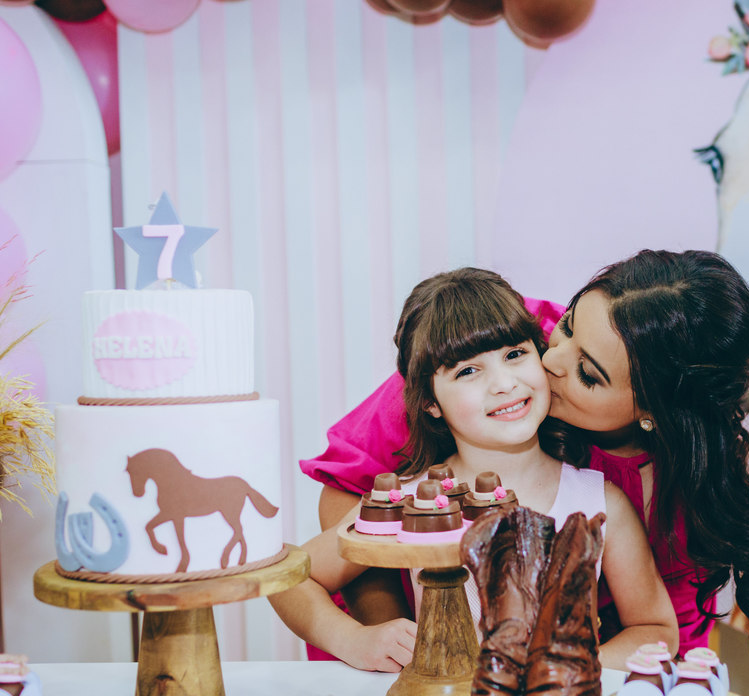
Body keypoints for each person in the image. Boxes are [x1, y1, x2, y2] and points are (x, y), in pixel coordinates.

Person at [304, 250, 749, 660]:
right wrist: (393, 642)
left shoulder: (624, 501)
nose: (548, 361)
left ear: (653, 413)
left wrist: (562, 665)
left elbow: (658, 637)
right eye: (567, 326)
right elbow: (340, 502)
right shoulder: (497, 341)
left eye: (588, 375)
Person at [271, 267, 679, 671]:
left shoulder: (599, 501)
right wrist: (355, 639)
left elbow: (656, 628)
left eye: (515, 355)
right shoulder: (410, 502)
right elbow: (289, 579)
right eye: (468, 370)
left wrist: (571, 665)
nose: (503, 383)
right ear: (430, 402)